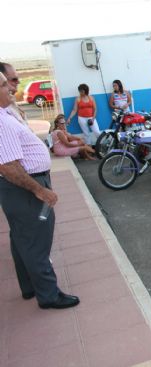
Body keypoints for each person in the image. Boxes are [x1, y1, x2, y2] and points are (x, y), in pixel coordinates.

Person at [0, 72, 80, 309]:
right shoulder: (1, 122)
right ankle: (49, 295)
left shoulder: (6, 114)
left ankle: (31, 287)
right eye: (4, 85)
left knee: (23, 239)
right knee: (36, 241)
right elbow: (8, 166)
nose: (11, 88)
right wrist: (40, 191)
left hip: (21, 188)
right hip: (25, 188)